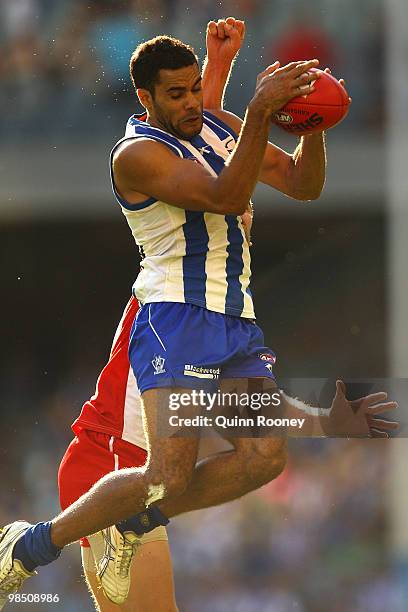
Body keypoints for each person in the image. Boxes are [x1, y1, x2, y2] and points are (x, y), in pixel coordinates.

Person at [0, 17, 398, 611]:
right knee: (169, 471)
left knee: (265, 457)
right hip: (176, 317)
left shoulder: (218, 128)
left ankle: (131, 525)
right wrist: (261, 114)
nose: (192, 103)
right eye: (176, 94)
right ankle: (31, 546)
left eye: (196, 89)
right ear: (146, 98)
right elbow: (225, 196)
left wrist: (312, 126)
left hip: (233, 319)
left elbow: (303, 185)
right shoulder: (136, 156)